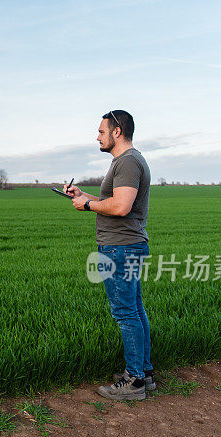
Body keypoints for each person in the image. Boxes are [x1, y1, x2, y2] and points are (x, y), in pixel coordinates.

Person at [64, 110, 154, 401]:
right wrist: (83, 195)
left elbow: (121, 207)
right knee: (135, 309)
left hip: (120, 248)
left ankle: (135, 381)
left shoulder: (127, 162)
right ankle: (144, 373)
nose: (98, 136)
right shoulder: (128, 161)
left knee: (125, 312)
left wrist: (88, 207)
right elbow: (112, 201)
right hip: (127, 245)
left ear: (117, 132)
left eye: (101, 131)